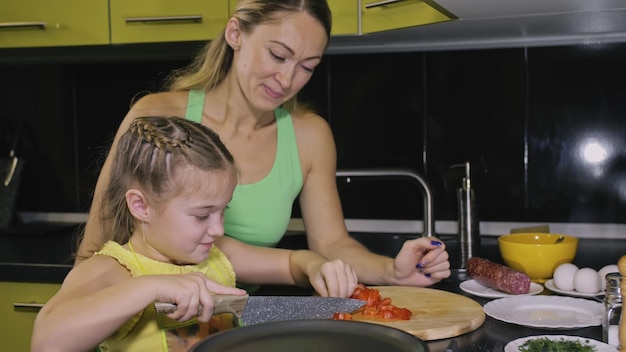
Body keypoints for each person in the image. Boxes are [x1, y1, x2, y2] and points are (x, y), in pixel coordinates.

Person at [75, 0, 451, 288]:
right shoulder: (157, 117)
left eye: (307, 66)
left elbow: (332, 244)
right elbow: (93, 249)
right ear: (236, 34)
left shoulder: (310, 135)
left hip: (236, 320)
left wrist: (392, 271)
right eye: (278, 55)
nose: (288, 79)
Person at [31, 116, 359, 352]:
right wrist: (153, 286)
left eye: (222, 211)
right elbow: (47, 341)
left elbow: (293, 263)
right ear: (141, 207)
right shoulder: (114, 269)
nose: (217, 229)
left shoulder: (217, 253)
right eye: (202, 215)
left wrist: (318, 267)